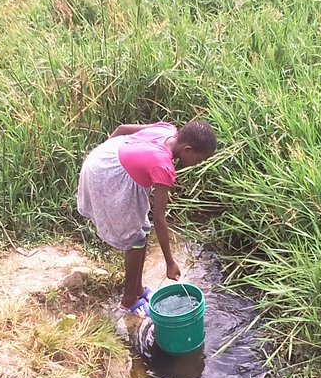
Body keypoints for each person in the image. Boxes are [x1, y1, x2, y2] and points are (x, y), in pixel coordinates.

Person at [77, 120, 217, 316]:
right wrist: (170, 262)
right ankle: (128, 301)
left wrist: (109, 158)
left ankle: (138, 289)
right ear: (187, 150)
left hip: (102, 156)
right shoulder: (163, 166)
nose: (198, 164)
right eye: (199, 160)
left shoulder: (167, 129)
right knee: (135, 239)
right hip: (106, 173)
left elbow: (121, 129)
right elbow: (159, 219)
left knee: (142, 231)